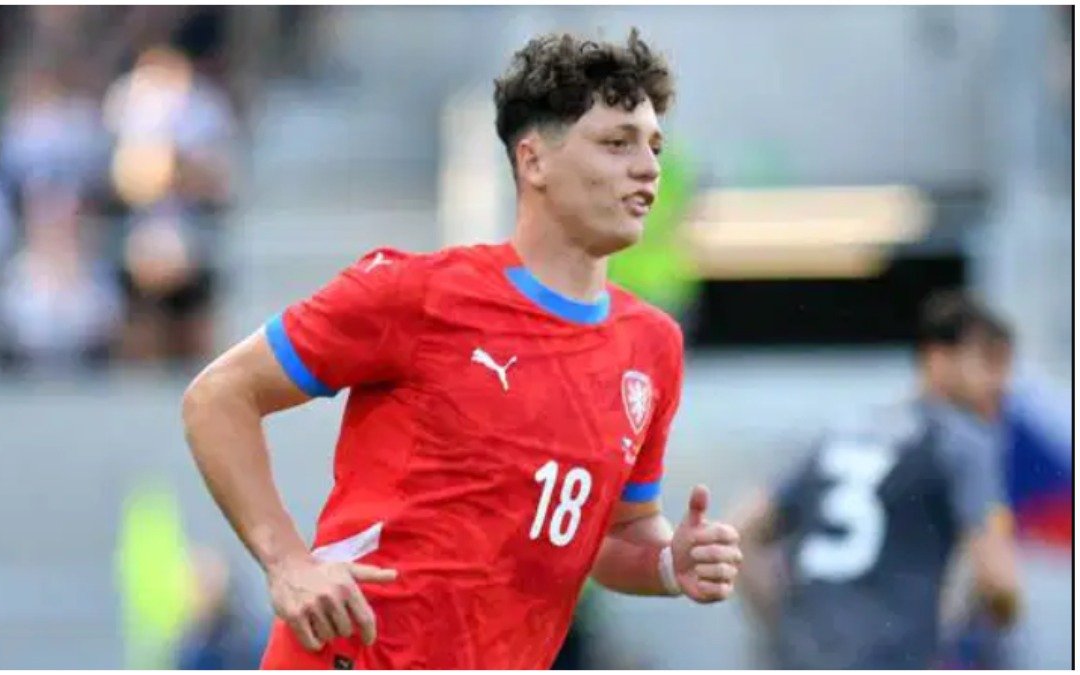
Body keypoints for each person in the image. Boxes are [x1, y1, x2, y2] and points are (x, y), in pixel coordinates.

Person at [183, 29, 743, 670]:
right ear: (533, 161)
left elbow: (616, 533)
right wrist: (286, 562)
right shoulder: (418, 294)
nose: (647, 167)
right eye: (617, 143)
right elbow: (217, 396)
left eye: (653, 146)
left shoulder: (652, 346)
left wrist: (670, 564)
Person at [732, 290, 1021, 669]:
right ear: (937, 358)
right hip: (889, 657)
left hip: (799, 658)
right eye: (989, 363)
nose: (1002, 383)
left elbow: (738, 532)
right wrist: (977, 622)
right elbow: (998, 581)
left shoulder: (843, 430)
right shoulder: (961, 439)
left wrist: (785, 622)